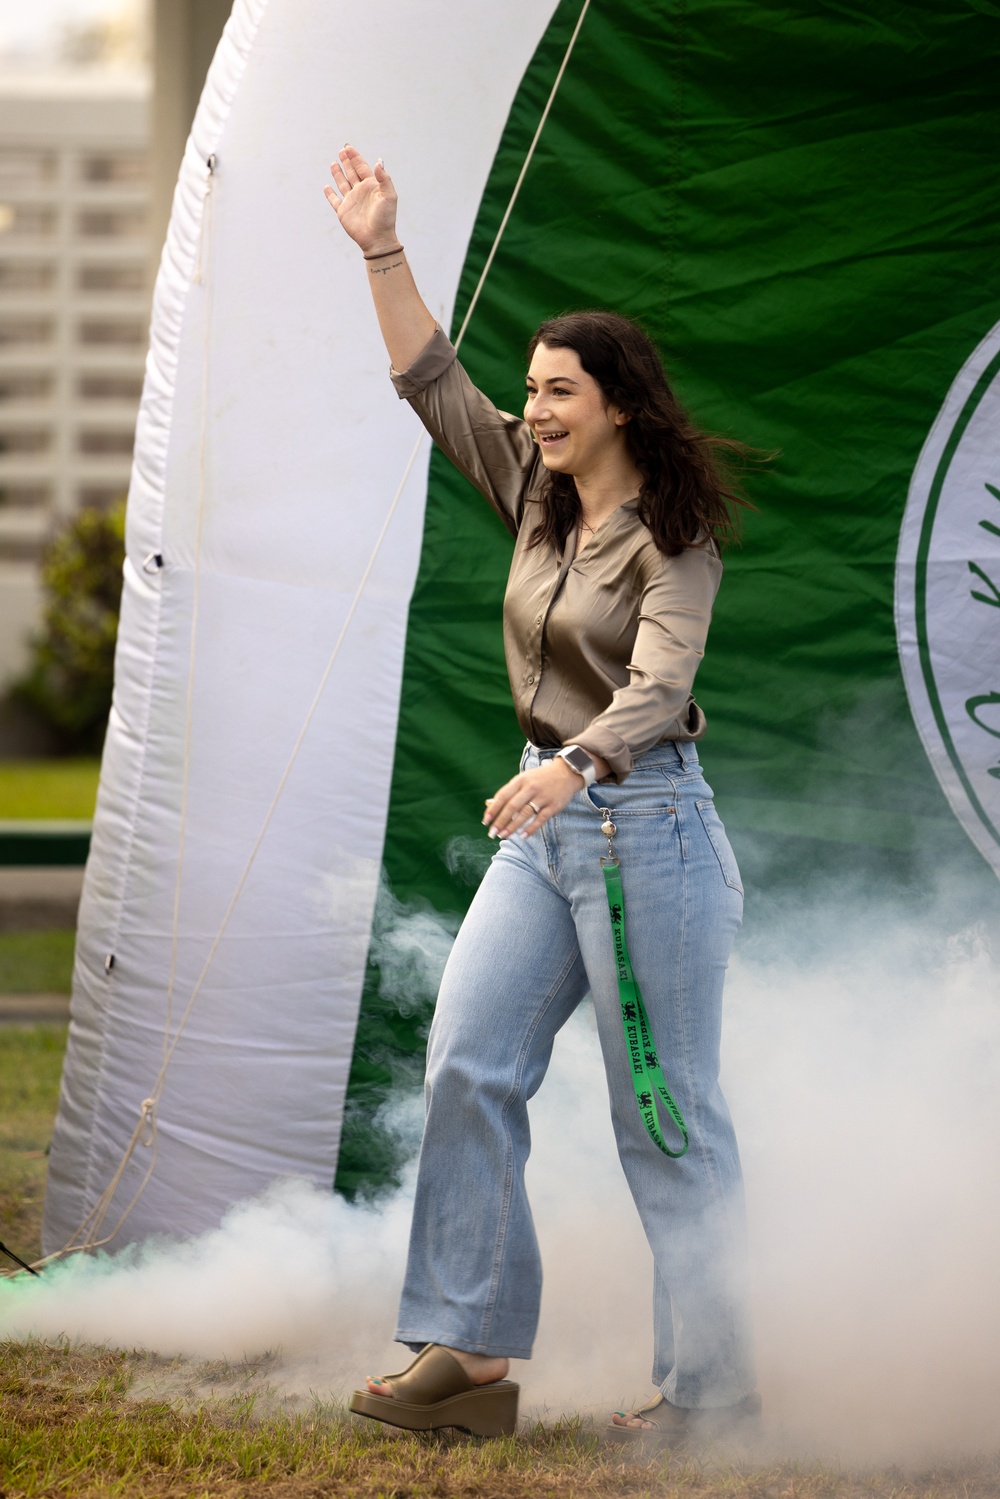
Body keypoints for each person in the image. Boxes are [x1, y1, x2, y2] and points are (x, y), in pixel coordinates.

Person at [324, 144, 759, 1442]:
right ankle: (467, 1358)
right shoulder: (532, 490)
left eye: (560, 392)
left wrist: (573, 767)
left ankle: (715, 1395)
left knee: (664, 1115)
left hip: (647, 828)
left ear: (621, 403)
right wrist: (380, 249)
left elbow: (660, 686)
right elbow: (428, 379)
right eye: (533, 393)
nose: (537, 410)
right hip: (548, 815)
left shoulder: (676, 541)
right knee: (468, 1063)